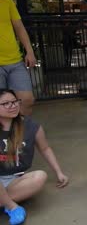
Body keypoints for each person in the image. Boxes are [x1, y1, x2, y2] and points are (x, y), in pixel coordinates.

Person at [0, 89, 69, 225]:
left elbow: (45, 148)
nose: (12, 106)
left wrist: (59, 172)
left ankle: (5, 201)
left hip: (15, 180)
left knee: (40, 176)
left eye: (14, 102)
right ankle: (12, 206)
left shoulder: (30, 126)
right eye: (6, 103)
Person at [0, 0, 37, 116]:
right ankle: (7, 134)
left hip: (14, 61)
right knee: (2, 106)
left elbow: (19, 27)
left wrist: (30, 51)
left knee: (27, 100)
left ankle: (21, 132)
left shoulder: (5, 0)